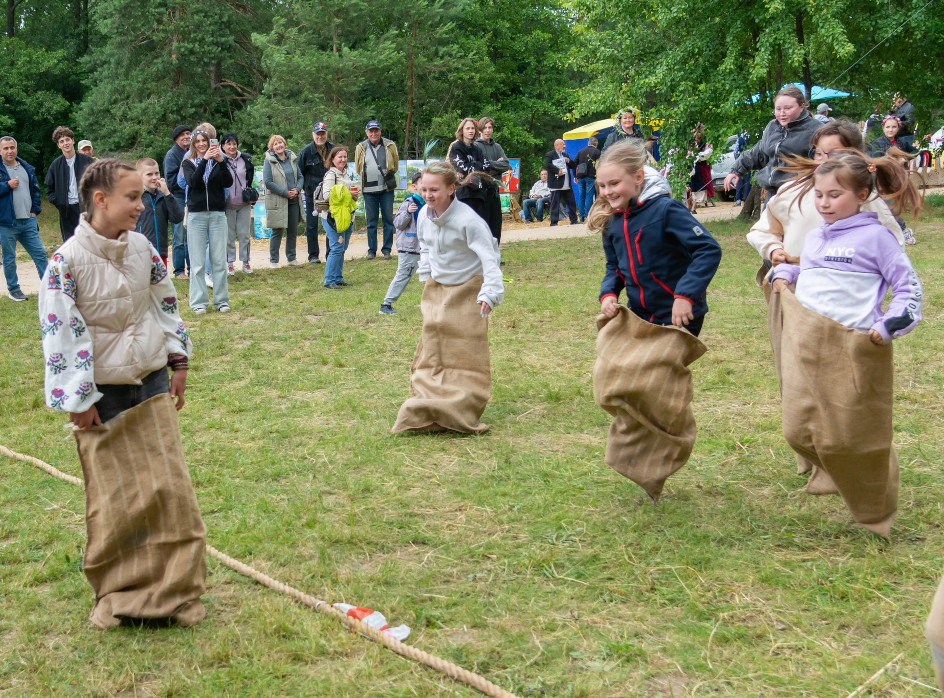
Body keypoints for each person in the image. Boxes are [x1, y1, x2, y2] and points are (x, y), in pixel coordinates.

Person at [38, 158, 205, 629]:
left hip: (151, 382)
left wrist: (178, 360)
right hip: (102, 397)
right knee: (117, 500)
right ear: (100, 199)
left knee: (169, 491)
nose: (140, 204)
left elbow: (165, 303)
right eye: (132, 197)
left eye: (141, 196)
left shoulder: (143, 249)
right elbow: (60, 333)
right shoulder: (65, 263)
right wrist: (79, 398)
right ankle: (117, 596)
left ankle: (179, 593)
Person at [769, 149, 922, 537]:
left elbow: (908, 289)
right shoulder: (818, 237)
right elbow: (815, 272)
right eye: (819, 194)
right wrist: (789, 270)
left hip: (855, 348)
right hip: (809, 347)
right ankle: (833, 472)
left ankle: (874, 512)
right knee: (797, 431)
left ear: (862, 195)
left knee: (855, 434)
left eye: (834, 195)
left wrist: (889, 326)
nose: (823, 203)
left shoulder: (877, 238)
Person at [747, 120, 905, 494]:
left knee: (839, 383)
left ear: (854, 157)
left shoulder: (868, 202)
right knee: (798, 377)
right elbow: (761, 230)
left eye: (834, 154)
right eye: (819, 153)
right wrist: (774, 251)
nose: (823, 161)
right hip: (794, 291)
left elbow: (891, 249)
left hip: (843, 304)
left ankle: (846, 463)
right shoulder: (791, 192)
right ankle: (815, 458)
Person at [589, 139, 722, 500]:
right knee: (615, 381)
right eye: (602, 185)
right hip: (640, 316)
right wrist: (609, 294)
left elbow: (707, 250)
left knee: (655, 391)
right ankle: (643, 453)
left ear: (637, 178)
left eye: (614, 184)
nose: (607, 191)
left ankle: (666, 449)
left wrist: (686, 295)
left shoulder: (666, 210)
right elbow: (614, 267)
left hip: (678, 317)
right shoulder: (614, 223)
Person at [391, 162, 503, 435]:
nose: (428, 195)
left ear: (451, 188)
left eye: (435, 190)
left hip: (468, 288)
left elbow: (491, 259)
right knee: (434, 342)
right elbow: (426, 245)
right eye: (423, 189)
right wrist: (426, 273)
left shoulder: (469, 220)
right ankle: (430, 400)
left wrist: (490, 292)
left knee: (463, 348)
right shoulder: (424, 216)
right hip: (438, 286)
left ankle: (461, 405)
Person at [724, 85, 820, 198]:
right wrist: (736, 170)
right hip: (773, 194)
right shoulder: (773, 126)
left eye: (788, 108)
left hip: (801, 194)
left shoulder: (817, 130)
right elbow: (758, 152)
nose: (782, 113)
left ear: (802, 106)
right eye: (778, 109)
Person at [182, 124, 233, 313]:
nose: (202, 144)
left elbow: (228, 182)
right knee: (197, 262)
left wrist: (220, 162)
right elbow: (193, 182)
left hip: (218, 214)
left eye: (205, 140)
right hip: (196, 215)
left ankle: (221, 301)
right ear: (194, 144)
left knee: (219, 260)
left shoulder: (219, 161)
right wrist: (204, 160)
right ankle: (199, 303)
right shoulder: (188, 163)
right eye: (198, 141)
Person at [0, 136, 47, 302]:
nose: (9, 151)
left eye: (12, 147)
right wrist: (6, 185)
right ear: (0, 151)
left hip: (28, 221)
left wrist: (35, 210)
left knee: (40, 254)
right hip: (6, 224)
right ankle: (14, 290)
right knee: (9, 258)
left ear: (16, 149)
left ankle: (49, 287)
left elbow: (35, 190)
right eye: (5, 148)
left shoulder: (26, 168)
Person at [447, 118, 504, 242]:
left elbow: (485, 166)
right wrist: (475, 166)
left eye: (472, 128)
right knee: (465, 230)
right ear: (462, 130)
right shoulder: (457, 147)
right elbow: (462, 167)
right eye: (467, 128)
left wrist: (472, 167)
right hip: (464, 194)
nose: (471, 131)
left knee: (480, 229)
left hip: (479, 194)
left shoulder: (476, 149)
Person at [379, 171, 424, 315]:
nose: (426, 187)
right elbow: (397, 223)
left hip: (424, 248)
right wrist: (408, 213)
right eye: (422, 183)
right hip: (409, 247)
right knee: (403, 276)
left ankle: (434, 303)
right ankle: (386, 304)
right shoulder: (409, 203)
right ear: (414, 186)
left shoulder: (428, 203)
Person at [353, 120, 398, 259]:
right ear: (366, 132)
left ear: (380, 131)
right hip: (368, 190)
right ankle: (371, 250)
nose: (374, 133)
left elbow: (395, 165)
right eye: (371, 131)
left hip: (386, 189)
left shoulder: (389, 145)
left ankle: (387, 250)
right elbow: (358, 168)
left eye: (376, 130)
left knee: (388, 220)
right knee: (371, 221)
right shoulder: (361, 147)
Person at [44, 126, 94, 242]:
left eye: (67, 140)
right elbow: (49, 188)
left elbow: (99, 182)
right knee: (70, 242)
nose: (65, 143)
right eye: (61, 141)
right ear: (58, 145)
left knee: (89, 241)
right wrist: (60, 203)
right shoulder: (56, 165)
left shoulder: (87, 161)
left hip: (86, 209)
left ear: (73, 141)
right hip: (66, 211)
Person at [262, 135, 304, 269]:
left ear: (284, 144)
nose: (278, 145)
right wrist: (285, 192)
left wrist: (297, 189)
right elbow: (268, 182)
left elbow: (300, 177)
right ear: (272, 147)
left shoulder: (292, 159)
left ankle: (291, 258)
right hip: (278, 201)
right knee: (277, 231)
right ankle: (274, 261)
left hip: (294, 200)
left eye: (280, 142)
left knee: (292, 230)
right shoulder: (269, 161)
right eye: (275, 144)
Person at [321, 145, 358, 289]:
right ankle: (329, 280)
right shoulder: (331, 175)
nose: (343, 159)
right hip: (332, 217)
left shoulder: (345, 174)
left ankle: (337, 278)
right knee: (336, 247)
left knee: (342, 247)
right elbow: (327, 196)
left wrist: (353, 196)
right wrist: (349, 194)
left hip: (347, 216)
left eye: (345, 157)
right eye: (339, 157)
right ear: (333, 159)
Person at [135, 158, 183, 267]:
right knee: (143, 283)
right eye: (149, 174)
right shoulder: (135, 197)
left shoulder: (163, 196)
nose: (154, 177)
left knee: (160, 283)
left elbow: (177, 218)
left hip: (160, 253)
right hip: (140, 253)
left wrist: (167, 194)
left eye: (156, 173)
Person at [298, 122, 335, 264]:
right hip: (312, 194)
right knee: (312, 225)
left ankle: (330, 253)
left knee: (330, 223)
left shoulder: (333, 149)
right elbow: (299, 173)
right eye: (317, 134)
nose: (320, 136)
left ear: (326, 134)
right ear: (313, 134)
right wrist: (303, 189)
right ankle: (313, 255)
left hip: (330, 194)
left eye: (322, 133)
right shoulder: (306, 151)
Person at [220, 133, 255, 274]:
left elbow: (249, 178)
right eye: (228, 144)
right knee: (228, 236)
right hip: (227, 204)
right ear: (223, 146)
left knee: (244, 234)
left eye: (234, 143)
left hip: (244, 203)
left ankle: (246, 262)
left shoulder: (245, 159)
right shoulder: (219, 160)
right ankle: (229, 263)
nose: (232, 146)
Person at [473, 116, 511, 242]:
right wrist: (496, 165)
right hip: (481, 192)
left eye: (490, 127)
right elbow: (480, 168)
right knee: (483, 225)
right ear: (480, 130)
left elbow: (506, 165)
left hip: (495, 191)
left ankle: (495, 257)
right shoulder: (476, 146)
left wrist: (489, 164)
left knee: (496, 225)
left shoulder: (497, 147)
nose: (488, 130)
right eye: (485, 128)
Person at [164, 125, 191, 280]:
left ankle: (191, 268)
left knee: (190, 236)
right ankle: (179, 271)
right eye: (182, 135)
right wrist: (186, 179)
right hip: (179, 198)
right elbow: (170, 181)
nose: (186, 136)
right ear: (176, 139)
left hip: (191, 197)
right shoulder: (172, 155)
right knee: (179, 236)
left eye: (188, 133)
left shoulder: (192, 152)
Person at [544, 139, 578, 226]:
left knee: (571, 202)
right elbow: (547, 165)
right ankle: (554, 222)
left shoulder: (565, 155)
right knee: (555, 203)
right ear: (557, 146)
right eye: (563, 144)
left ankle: (574, 220)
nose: (564, 146)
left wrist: (568, 161)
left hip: (566, 184)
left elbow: (573, 165)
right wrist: (557, 170)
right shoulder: (550, 154)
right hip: (556, 184)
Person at [687, 125, 714, 214]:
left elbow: (707, 153)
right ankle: (688, 206)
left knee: (698, 186)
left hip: (700, 166)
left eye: (697, 132)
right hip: (689, 166)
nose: (695, 134)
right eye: (694, 132)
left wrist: (696, 156)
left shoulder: (705, 142)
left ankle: (694, 207)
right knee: (688, 186)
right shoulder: (689, 142)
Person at [574, 136, 601, 222]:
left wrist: (575, 176)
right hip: (591, 177)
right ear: (596, 144)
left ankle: (581, 216)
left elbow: (574, 164)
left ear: (588, 143)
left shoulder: (580, 152)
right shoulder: (597, 152)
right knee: (589, 196)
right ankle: (587, 215)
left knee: (582, 196)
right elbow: (600, 165)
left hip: (581, 177)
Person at [733, 131, 752, 206]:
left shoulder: (740, 138)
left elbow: (736, 152)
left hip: (741, 162)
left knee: (739, 180)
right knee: (748, 181)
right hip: (750, 161)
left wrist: (737, 160)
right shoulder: (753, 137)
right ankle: (746, 199)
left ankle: (738, 199)